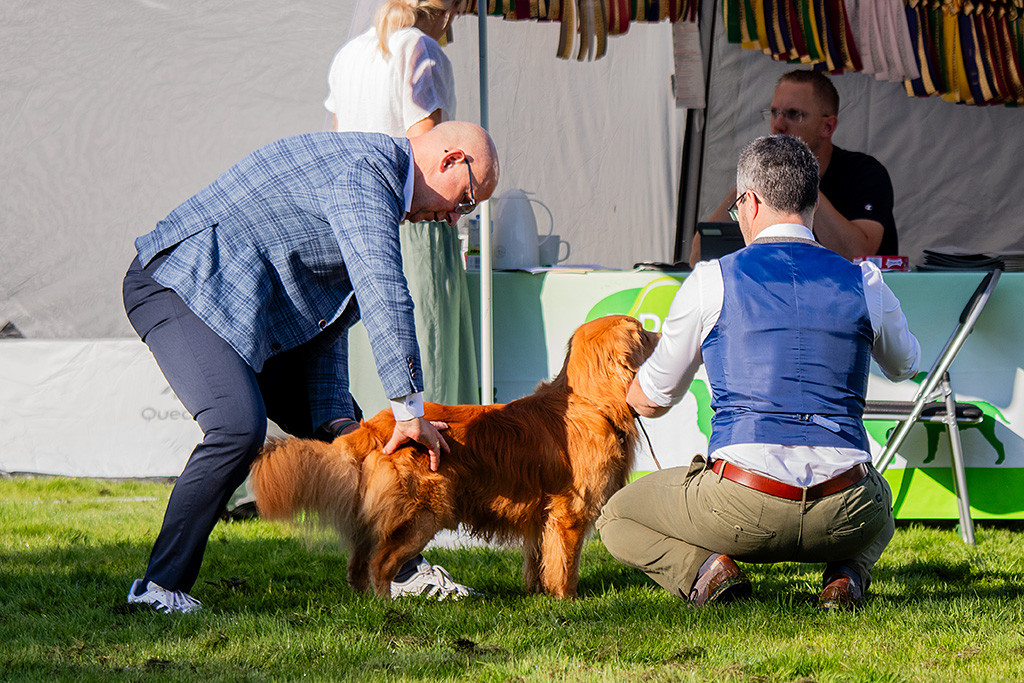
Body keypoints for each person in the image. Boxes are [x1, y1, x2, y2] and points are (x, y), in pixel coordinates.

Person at [123, 121, 499, 613]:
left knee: (359, 440)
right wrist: (409, 410)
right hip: (179, 283)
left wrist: (335, 419)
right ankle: (157, 589)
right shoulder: (368, 173)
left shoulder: (376, 186)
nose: (453, 218)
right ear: (450, 160)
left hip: (250, 318)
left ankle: (398, 569)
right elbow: (383, 291)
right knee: (237, 429)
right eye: (466, 200)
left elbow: (326, 321)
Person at [598, 134, 920, 610]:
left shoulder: (711, 280)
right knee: (880, 500)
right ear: (813, 203)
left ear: (749, 203)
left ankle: (708, 572)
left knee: (616, 516)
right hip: (844, 510)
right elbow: (906, 365)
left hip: (742, 510)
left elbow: (651, 399)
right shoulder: (864, 280)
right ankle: (846, 575)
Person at [319, 0, 481, 599]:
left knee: (371, 361)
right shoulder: (422, 50)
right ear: (445, 11)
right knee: (427, 353)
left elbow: (335, 144)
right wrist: (453, 205)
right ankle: (426, 504)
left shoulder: (349, 53)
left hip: (353, 223)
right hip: (412, 218)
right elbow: (429, 153)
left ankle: (374, 493)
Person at [693, 69, 898, 264]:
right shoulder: (767, 177)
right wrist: (749, 180)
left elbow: (857, 256)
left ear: (827, 126)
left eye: (794, 114)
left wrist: (802, 178)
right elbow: (699, 255)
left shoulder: (864, 172)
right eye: (774, 112)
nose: (778, 125)